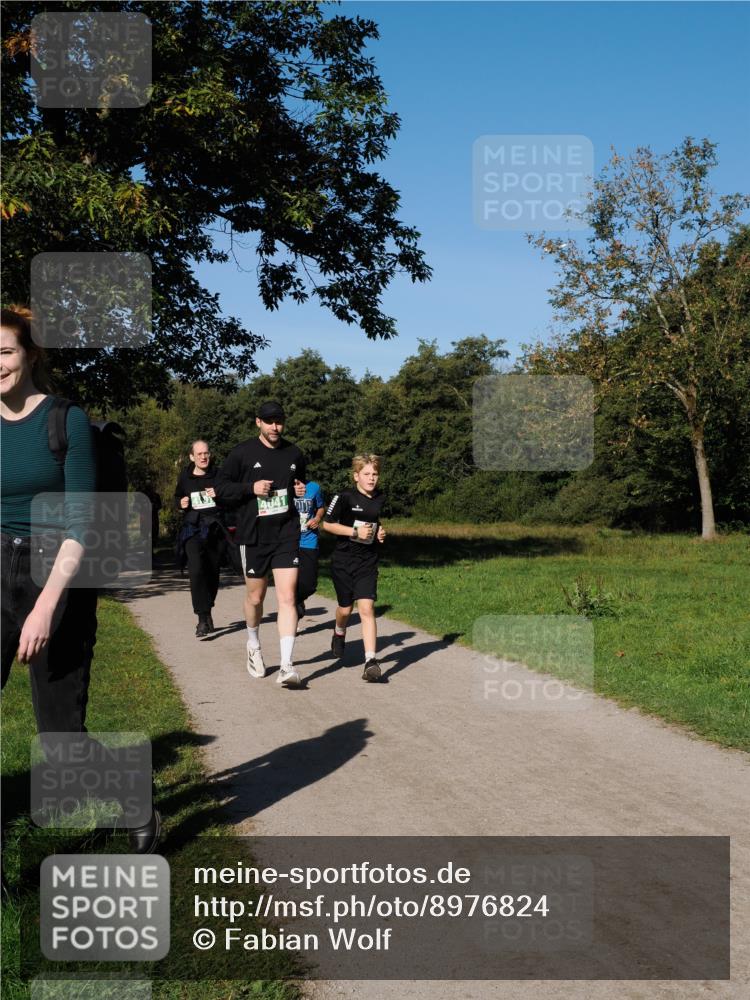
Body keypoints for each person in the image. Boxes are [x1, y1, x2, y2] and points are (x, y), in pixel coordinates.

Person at [0, 306, 160, 852]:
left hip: (56, 570)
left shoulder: (64, 419)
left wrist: (44, 607)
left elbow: (82, 523)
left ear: (30, 355)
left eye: (5, 352)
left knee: (60, 736)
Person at [216, 401, 307, 687]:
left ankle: (286, 666)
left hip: (286, 532)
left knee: (287, 597)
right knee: (256, 598)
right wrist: (250, 488)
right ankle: (253, 644)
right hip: (253, 535)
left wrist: (300, 489)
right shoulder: (242, 453)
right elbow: (220, 488)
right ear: (258, 422)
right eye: (269, 421)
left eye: (279, 421)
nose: (275, 427)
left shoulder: (294, 453)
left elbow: (299, 483)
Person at [323, 454, 387, 682]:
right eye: (366, 474)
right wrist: (354, 532)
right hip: (343, 560)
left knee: (366, 608)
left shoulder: (380, 498)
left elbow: (374, 522)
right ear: (356, 476)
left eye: (375, 474)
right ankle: (339, 632)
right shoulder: (344, 497)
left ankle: (371, 661)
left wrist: (379, 532)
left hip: (367, 561)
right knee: (345, 609)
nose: (371, 478)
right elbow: (327, 524)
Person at [174, 440, 225, 637]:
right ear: (192, 457)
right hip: (193, 530)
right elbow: (177, 497)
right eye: (199, 454)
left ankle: (207, 609)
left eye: (206, 453)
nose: (203, 457)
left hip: (214, 530)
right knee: (195, 571)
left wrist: (219, 494)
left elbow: (231, 497)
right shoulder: (185, 477)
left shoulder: (219, 475)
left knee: (212, 573)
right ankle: (202, 619)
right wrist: (180, 502)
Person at [293, 479, 326, 621]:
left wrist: (317, 518)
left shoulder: (314, 487)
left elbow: (321, 507)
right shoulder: (283, 485)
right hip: (288, 542)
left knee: (309, 585)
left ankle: (296, 600)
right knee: (289, 582)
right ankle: (290, 610)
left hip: (308, 541)